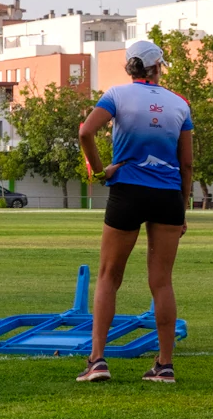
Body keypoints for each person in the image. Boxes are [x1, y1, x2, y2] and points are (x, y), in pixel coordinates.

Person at [77, 40, 192, 385]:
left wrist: (99, 171)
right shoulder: (180, 104)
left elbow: (85, 131)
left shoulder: (116, 95)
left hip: (127, 190)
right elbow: (186, 163)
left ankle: (97, 360)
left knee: (109, 276)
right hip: (168, 194)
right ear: (158, 67)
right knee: (161, 282)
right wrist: (182, 208)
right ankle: (165, 365)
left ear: (131, 66)